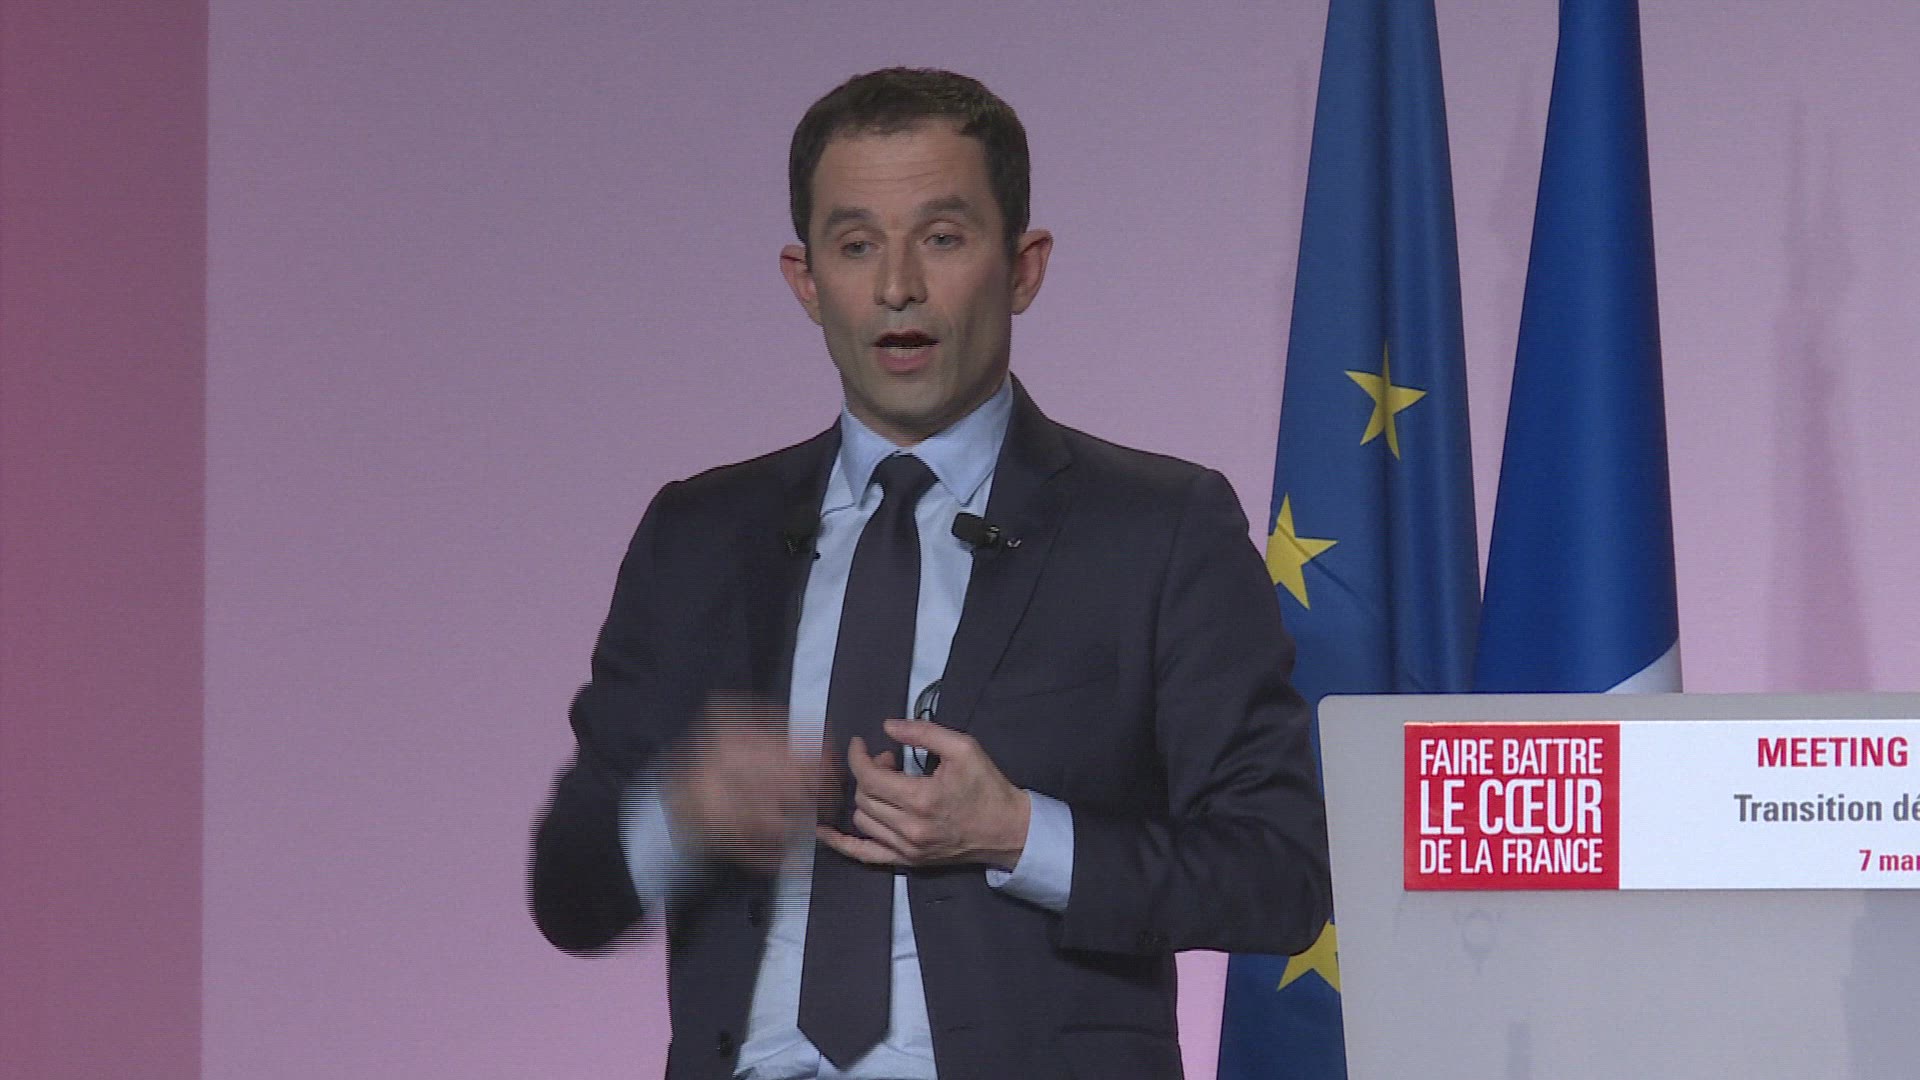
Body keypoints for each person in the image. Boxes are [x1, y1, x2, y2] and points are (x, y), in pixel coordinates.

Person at [531, 67, 1331, 1080]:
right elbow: (569, 894)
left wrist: (1019, 835)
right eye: (856, 245)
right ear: (805, 280)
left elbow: (1280, 876)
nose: (897, 286)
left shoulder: (1159, 530)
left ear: (1024, 268)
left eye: (943, 239)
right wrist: (681, 812)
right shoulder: (698, 536)